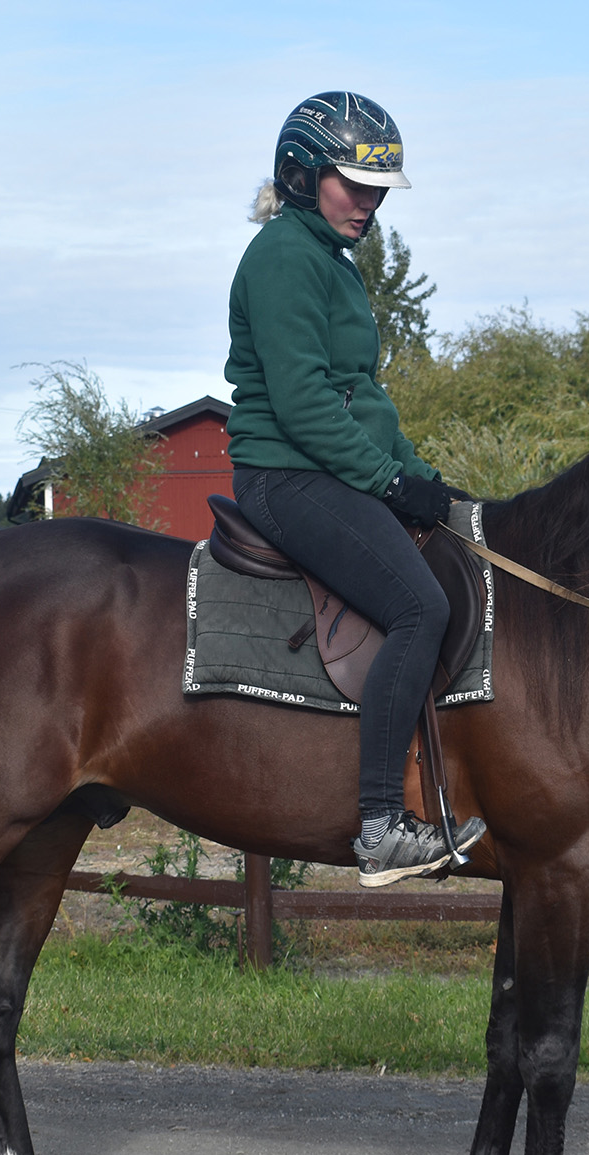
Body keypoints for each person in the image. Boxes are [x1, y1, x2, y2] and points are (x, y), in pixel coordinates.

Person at [225, 91, 486, 888]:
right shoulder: (283, 257)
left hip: (329, 467)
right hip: (286, 475)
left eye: (378, 190)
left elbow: (361, 398)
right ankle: (380, 828)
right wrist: (384, 481)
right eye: (353, 184)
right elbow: (303, 404)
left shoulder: (333, 262)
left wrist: (420, 477)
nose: (369, 203)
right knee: (420, 608)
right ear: (301, 176)